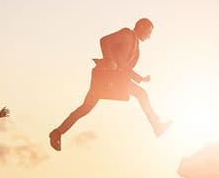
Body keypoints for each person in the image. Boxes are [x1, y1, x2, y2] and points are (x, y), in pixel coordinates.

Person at [49, 18, 171, 151]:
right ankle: (156, 126)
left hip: (116, 78)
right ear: (141, 26)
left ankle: (57, 132)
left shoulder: (135, 43)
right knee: (88, 107)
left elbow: (124, 67)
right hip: (106, 77)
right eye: (149, 32)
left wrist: (140, 78)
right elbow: (104, 40)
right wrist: (109, 59)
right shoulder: (127, 34)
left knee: (87, 107)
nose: (149, 36)